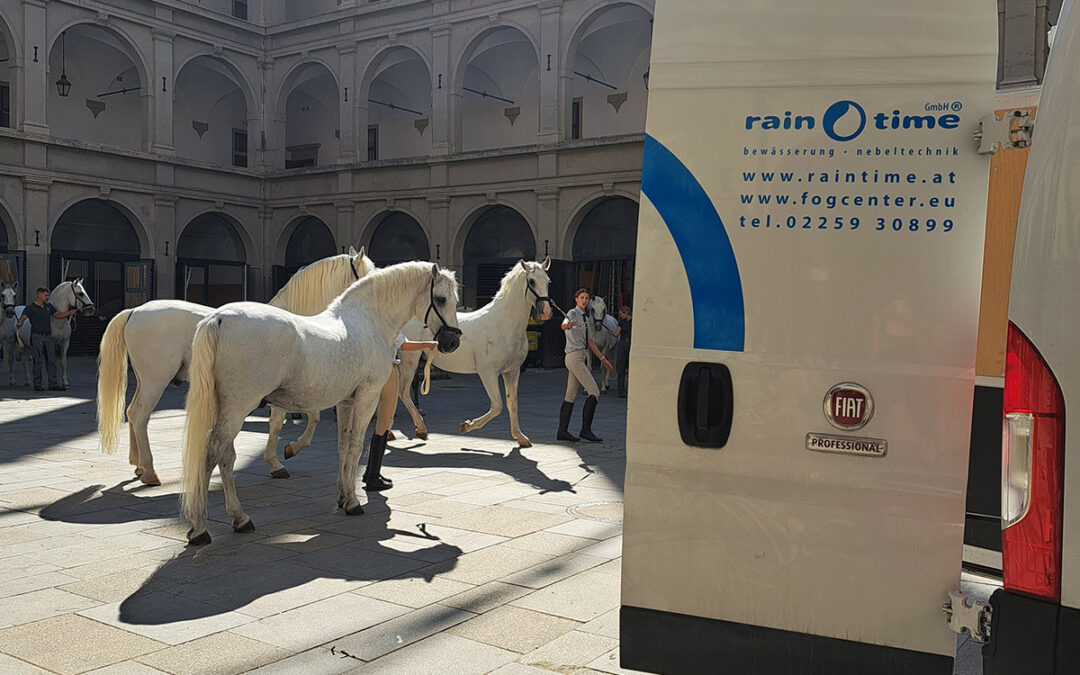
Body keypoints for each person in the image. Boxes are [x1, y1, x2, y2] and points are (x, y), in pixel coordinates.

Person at [363, 333, 438, 491]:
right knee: (385, 421)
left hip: (370, 370)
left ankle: (370, 471)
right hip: (388, 370)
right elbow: (404, 345)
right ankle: (373, 476)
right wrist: (428, 344)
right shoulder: (390, 322)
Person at [559, 288, 613, 442]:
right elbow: (564, 324)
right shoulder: (572, 313)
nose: (584, 300)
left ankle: (562, 431)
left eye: (586, 298)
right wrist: (567, 325)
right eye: (581, 297)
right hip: (574, 358)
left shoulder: (585, 318)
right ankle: (585, 430)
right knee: (594, 391)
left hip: (578, 358)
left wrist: (603, 359)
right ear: (576, 299)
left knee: (570, 395)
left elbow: (590, 342)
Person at [16, 287, 74, 392]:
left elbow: (58, 315)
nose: (48, 297)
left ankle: (53, 384)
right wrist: (20, 323)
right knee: (37, 361)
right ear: (39, 295)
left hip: (48, 337)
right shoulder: (31, 308)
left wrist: (69, 313)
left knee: (51, 360)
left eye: (48, 295)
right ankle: (37, 385)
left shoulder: (49, 307)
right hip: (36, 337)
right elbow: (23, 317)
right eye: (46, 295)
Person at [615, 305, 632, 398]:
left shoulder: (634, 321)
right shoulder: (621, 322)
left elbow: (616, 334)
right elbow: (616, 334)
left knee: (631, 368)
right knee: (620, 368)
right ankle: (621, 390)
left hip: (630, 343)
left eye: (621, 314)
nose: (620, 316)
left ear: (626, 313)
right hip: (623, 344)